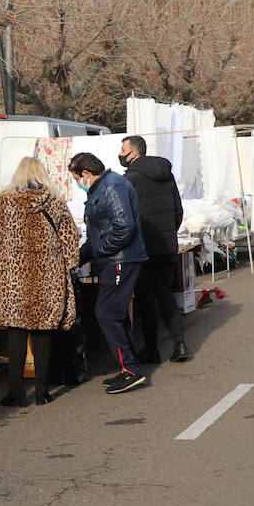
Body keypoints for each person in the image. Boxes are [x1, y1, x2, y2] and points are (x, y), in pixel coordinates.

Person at [0, 159, 80, 407]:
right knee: (43, 330)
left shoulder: (5, 202)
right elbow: (70, 240)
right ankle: (42, 390)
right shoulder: (55, 201)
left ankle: (16, 391)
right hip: (48, 276)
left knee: (17, 331)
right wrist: (65, 266)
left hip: (14, 278)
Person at [68, 152, 149, 394]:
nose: (77, 184)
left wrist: (100, 251)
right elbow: (97, 232)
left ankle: (132, 370)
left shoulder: (112, 186)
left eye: (75, 179)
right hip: (115, 259)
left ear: (86, 173)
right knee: (115, 314)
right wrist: (78, 257)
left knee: (107, 314)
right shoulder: (104, 186)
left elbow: (124, 227)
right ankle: (129, 367)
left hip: (120, 260)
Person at [118, 136, 189, 364]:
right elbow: (178, 210)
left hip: (144, 248)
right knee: (165, 293)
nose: (120, 153)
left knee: (146, 298)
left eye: (122, 149)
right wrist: (169, 232)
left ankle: (151, 349)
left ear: (134, 154)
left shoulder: (129, 180)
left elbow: (126, 217)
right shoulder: (166, 174)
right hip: (167, 245)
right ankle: (179, 343)